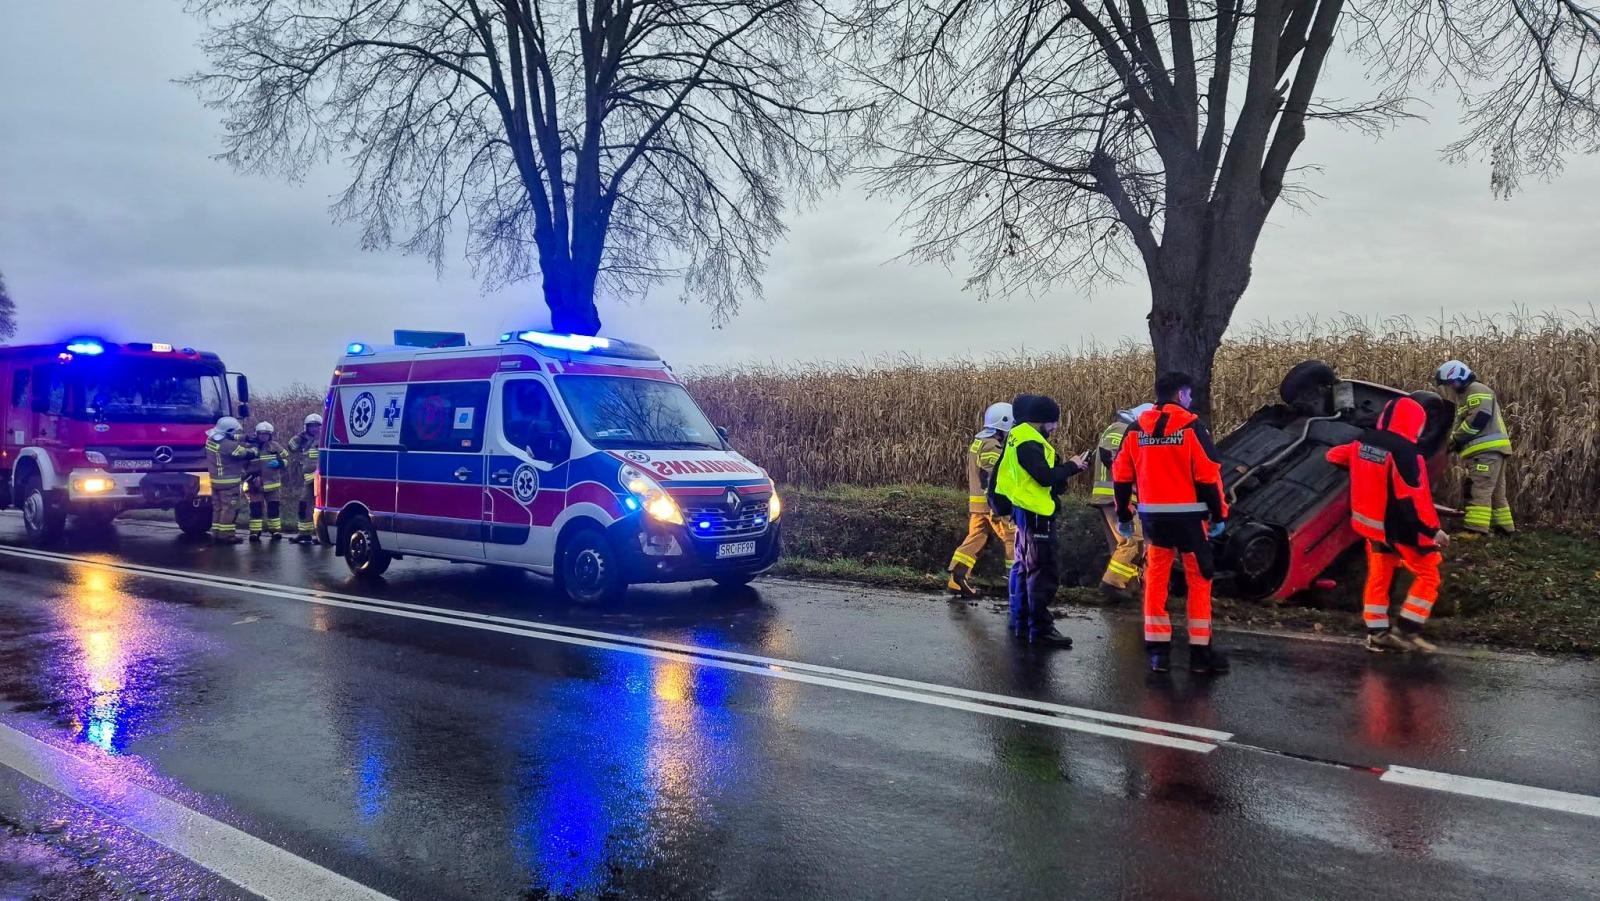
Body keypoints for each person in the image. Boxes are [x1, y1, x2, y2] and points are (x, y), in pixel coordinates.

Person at [1112, 372, 1230, 675]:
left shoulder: (1136, 430)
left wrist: (1124, 515)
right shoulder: (1192, 428)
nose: (1190, 400)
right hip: (1190, 520)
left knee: (1156, 579)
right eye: (1188, 394)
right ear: (1180, 394)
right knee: (1199, 580)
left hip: (1154, 520)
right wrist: (1219, 514)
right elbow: (1207, 477)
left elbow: (1122, 477)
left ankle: (1158, 653)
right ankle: (1200, 654)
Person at [1326, 396, 1449, 653]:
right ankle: (1407, 630)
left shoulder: (1363, 442)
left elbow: (1334, 456)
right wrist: (1431, 530)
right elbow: (1413, 498)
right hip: (1400, 529)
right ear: (1416, 423)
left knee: (1380, 575)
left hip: (1371, 528)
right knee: (1428, 575)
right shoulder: (1406, 453)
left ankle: (1377, 633)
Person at [992, 394, 1091, 647]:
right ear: (1041, 420)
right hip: (1036, 516)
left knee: (1025, 569)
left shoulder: (1018, 436)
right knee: (1042, 573)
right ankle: (1041, 628)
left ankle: (1021, 622)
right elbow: (1043, 477)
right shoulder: (1028, 442)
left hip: (1025, 512)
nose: (1056, 427)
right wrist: (1071, 466)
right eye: (1053, 422)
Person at [1434, 361, 1514, 537]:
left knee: (1479, 489)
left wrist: (1456, 438)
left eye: (1452, 382)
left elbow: (1479, 418)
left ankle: (1475, 530)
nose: (1452, 387)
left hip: (1485, 452)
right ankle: (1505, 528)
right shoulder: (1470, 393)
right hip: (1494, 451)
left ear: (1462, 375)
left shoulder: (1476, 390)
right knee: (1496, 492)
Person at [947, 402, 1017, 598]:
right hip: (991, 505)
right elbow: (992, 474)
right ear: (1003, 426)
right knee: (1012, 538)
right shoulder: (991, 445)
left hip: (978, 505)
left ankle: (957, 578)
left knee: (976, 538)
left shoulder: (978, 442)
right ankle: (1016, 581)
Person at [1090, 404, 1153, 597]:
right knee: (1133, 541)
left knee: (1123, 545)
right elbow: (1114, 459)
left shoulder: (1115, 428)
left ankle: (1131, 587)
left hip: (1108, 496)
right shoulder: (1122, 430)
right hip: (1115, 496)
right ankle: (1112, 585)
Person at [206, 416, 254, 545]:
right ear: (229, 431)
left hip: (216, 481)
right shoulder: (229, 446)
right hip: (229, 483)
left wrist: (245, 438)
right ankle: (227, 535)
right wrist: (254, 449)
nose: (235, 434)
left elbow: (229, 437)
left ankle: (216, 533)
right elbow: (245, 453)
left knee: (218, 508)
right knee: (229, 509)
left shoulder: (211, 440)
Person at [283, 413, 323, 545]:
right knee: (303, 505)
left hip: (321, 480)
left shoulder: (324, 439)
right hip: (309, 480)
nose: (314, 429)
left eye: (316, 426)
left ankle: (322, 536)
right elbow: (291, 447)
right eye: (311, 427)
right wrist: (300, 436)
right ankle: (304, 534)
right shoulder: (304, 440)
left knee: (320, 509)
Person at [245, 422, 288, 542]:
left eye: (267, 434)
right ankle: (255, 532)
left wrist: (280, 463)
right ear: (257, 434)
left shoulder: (275, 446)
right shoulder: (250, 448)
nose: (264, 436)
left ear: (270, 435)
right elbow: (243, 466)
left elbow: (286, 458)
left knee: (273, 509)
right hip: (255, 484)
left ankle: (275, 531)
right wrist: (251, 478)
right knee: (256, 509)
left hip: (273, 484)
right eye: (262, 434)